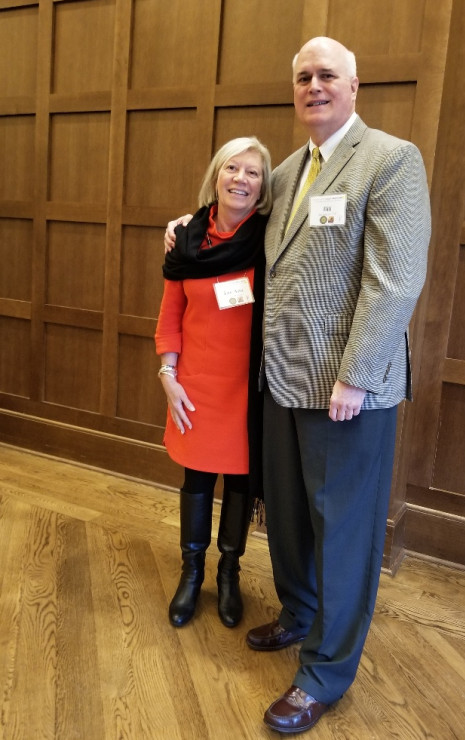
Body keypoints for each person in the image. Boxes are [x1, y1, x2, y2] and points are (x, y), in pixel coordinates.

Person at [165, 37, 431, 734]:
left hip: (347, 392)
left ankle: (324, 673)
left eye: (327, 75)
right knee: (284, 517)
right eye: (303, 76)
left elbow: (394, 280)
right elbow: (232, 218)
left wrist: (355, 374)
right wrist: (184, 227)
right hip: (279, 386)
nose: (314, 85)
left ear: (353, 86)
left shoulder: (389, 160)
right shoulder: (286, 173)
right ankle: (300, 613)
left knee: (342, 533)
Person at [155, 137, 272, 630]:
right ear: (216, 175)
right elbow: (170, 315)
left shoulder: (269, 239)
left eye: (253, 173)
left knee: (241, 485)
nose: (241, 179)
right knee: (197, 481)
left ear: (264, 187)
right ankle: (191, 573)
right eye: (233, 168)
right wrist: (168, 375)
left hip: (250, 390)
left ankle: (229, 574)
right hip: (196, 386)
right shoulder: (186, 239)